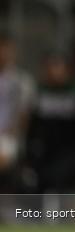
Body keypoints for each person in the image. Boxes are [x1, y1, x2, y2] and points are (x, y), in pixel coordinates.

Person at [23, 53, 75, 198]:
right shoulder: (41, 94)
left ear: (66, 70)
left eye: (56, 67)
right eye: (48, 68)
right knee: (30, 178)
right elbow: (33, 127)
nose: (52, 72)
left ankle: (52, 215)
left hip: (71, 151)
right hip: (45, 150)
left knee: (54, 176)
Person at [0, 37, 35, 191]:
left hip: (9, 136)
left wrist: (16, 134)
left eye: (5, 49)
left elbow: (25, 113)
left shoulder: (22, 80)